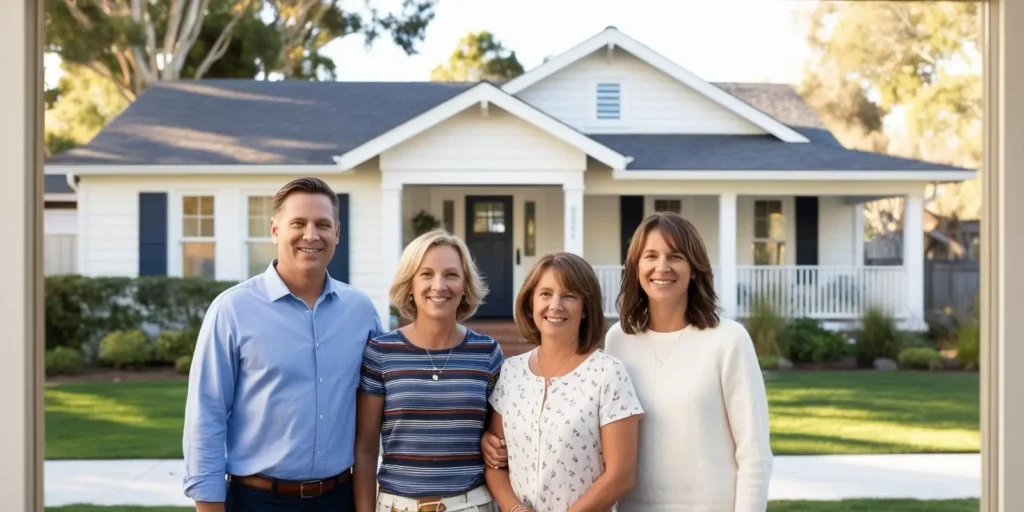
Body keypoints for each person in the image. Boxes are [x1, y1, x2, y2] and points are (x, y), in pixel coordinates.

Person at [482, 213, 773, 511]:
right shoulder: (620, 339)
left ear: (694, 268)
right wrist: (494, 445)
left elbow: (754, 454)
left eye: (675, 256)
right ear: (636, 267)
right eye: (651, 256)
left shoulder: (728, 340)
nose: (662, 267)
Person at [182, 177, 382, 512]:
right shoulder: (232, 310)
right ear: (275, 230)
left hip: (339, 499)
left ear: (337, 233)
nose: (311, 235)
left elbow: (386, 402)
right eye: (298, 223)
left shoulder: (361, 312)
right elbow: (206, 415)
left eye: (322, 224)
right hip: (257, 501)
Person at [353, 229, 504, 512]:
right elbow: (365, 447)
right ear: (410, 283)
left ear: (465, 285)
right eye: (426, 274)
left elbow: (497, 440)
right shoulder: (381, 352)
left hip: (472, 504)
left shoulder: (487, 353)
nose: (439, 285)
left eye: (451, 274)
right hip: (397, 506)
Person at [484, 252, 644, 512]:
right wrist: (514, 508)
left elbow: (621, 474)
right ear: (530, 303)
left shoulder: (608, 374)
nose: (555, 305)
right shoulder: (510, 372)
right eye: (545, 294)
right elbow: (495, 463)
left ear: (584, 309)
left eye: (569, 295)